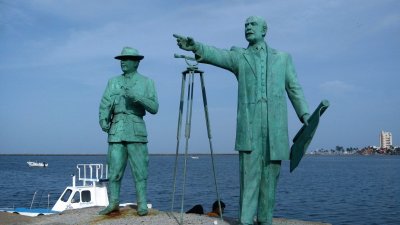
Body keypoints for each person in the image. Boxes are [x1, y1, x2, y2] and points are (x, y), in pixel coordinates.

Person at [174, 16, 310, 225]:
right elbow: (217, 55)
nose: (248, 28)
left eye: (252, 24)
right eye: (245, 25)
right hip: (249, 127)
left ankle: (265, 219)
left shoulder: (283, 58)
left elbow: (293, 87)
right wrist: (196, 47)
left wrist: (305, 114)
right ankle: (245, 220)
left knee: (270, 178)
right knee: (249, 176)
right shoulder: (240, 57)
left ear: (264, 30)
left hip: (275, 129)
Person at [98, 47, 159, 216]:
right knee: (114, 170)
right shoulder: (113, 82)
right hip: (116, 129)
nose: (123, 62)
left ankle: (142, 204)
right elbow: (105, 103)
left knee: (140, 171)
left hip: (136, 128)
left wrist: (138, 97)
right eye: (121, 59)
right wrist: (103, 119)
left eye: (127, 59)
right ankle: (113, 203)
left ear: (136, 62)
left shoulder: (147, 82)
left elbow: (154, 108)